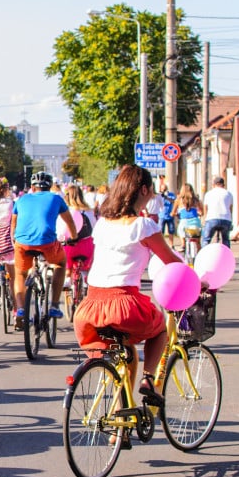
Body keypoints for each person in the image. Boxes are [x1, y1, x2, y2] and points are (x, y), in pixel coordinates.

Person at [73, 164, 179, 409]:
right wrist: (198, 281)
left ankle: (122, 420)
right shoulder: (143, 226)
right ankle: (149, 380)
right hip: (124, 305)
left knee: (127, 354)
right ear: (143, 190)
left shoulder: (103, 224)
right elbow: (172, 262)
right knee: (160, 329)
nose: (153, 195)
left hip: (90, 307)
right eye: (151, 190)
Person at [11, 171, 77, 330]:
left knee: (20, 273)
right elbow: (70, 222)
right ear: (49, 187)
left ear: (32, 188)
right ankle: (54, 305)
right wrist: (74, 237)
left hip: (22, 243)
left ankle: (20, 309)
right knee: (61, 264)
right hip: (47, 242)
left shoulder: (21, 199)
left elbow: (13, 225)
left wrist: (15, 240)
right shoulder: (56, 198)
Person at [62, 184, 97, 285]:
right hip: (86, 246)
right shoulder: (89, 211)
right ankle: (85, 280)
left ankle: (68, 277)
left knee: (66, 267)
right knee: (86, 268)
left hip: (70, 246)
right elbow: (94, 229)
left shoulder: (66, 211)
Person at [201, 176, 234, 247]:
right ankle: (227, 255)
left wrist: (205, 219)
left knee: (206, 239)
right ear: (223, 185)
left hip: (212, 218)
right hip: (226, 218)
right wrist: (231, 220)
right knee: (226, 239)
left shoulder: (209, 194)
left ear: (214, 184)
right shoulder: (228, 194)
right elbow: (230, 208)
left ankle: (203, 254)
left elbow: (205, 207)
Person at [172, 183, 203, 248]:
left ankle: (183, 243)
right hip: (195, 222)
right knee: (198, 242)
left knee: (180, 230)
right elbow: (202, 212)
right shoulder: (196, 200)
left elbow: (173, 213)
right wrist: (199, 213)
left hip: (184, 223)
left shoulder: (178, 200)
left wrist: (175, 214)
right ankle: (198, 250)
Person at [158, 181, 177, 249]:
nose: (163, 190)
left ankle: (171, 245)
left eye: (164, 188)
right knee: (161, 231)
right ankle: (162, 245)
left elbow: (174, 201)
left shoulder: (171, 194)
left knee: (171, 231)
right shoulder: (159, 195)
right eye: (162, 188)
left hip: (169, 215)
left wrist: (166, 197)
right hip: (162, 215)